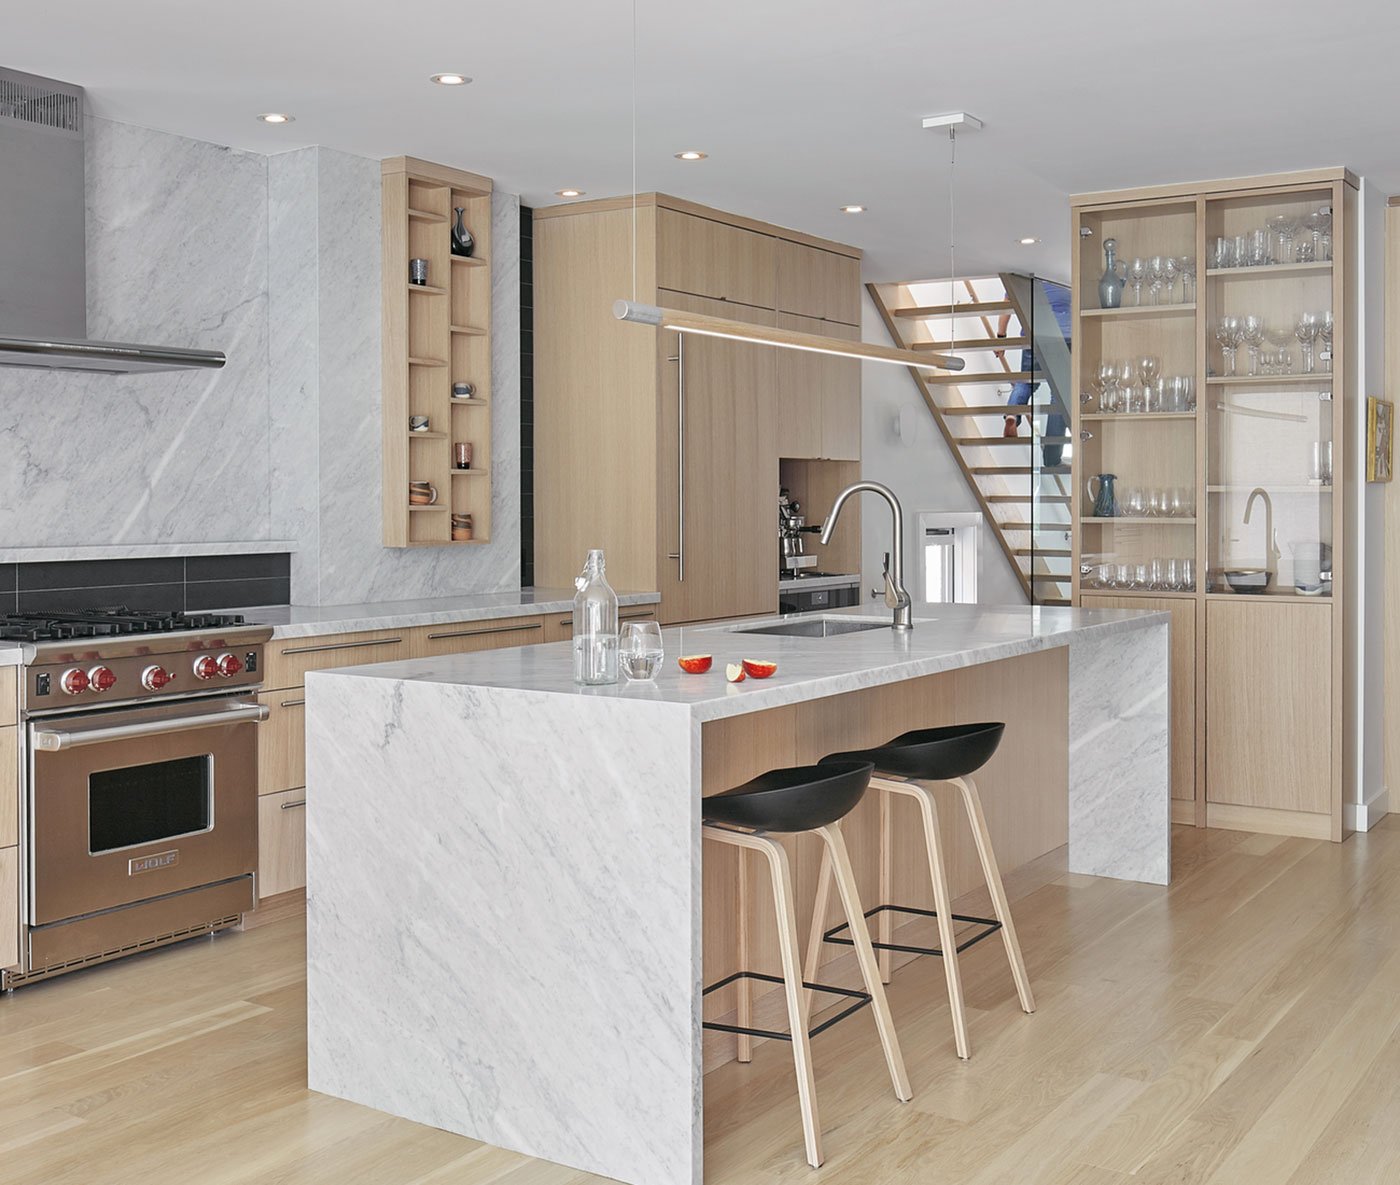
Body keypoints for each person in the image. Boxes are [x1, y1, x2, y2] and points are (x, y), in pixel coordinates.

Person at [995, 282, 1072, 467]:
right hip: (1063, 338)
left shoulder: (1026, 283)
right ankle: (1052, 458)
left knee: (1026, 381)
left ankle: (1012, 415)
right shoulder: (1064, 283)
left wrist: (1001, 338)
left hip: (1033, 336)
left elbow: (1005, 310)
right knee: (1059, 395)